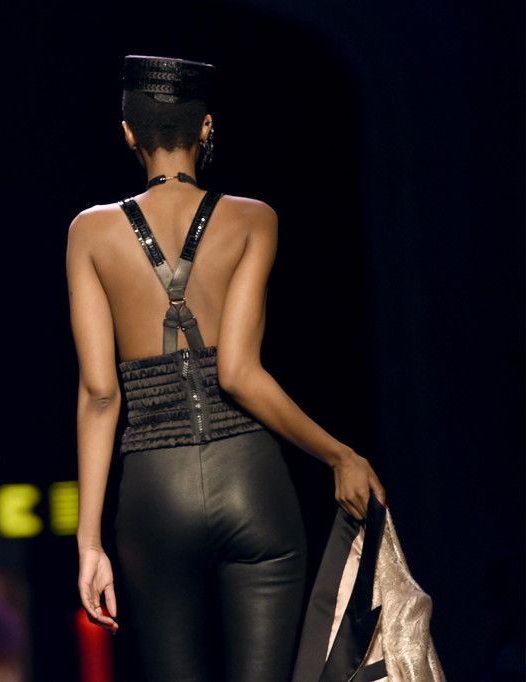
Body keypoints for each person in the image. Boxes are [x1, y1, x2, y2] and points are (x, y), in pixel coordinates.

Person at [66, 56, 387, 680]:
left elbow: (100, 395)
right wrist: (340, 455)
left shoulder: (90, 233)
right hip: (251, 483)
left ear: (128, 133)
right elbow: (238, 372)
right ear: (206, 127)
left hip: (154, 494)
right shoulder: (253, 219)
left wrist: (89, 543)